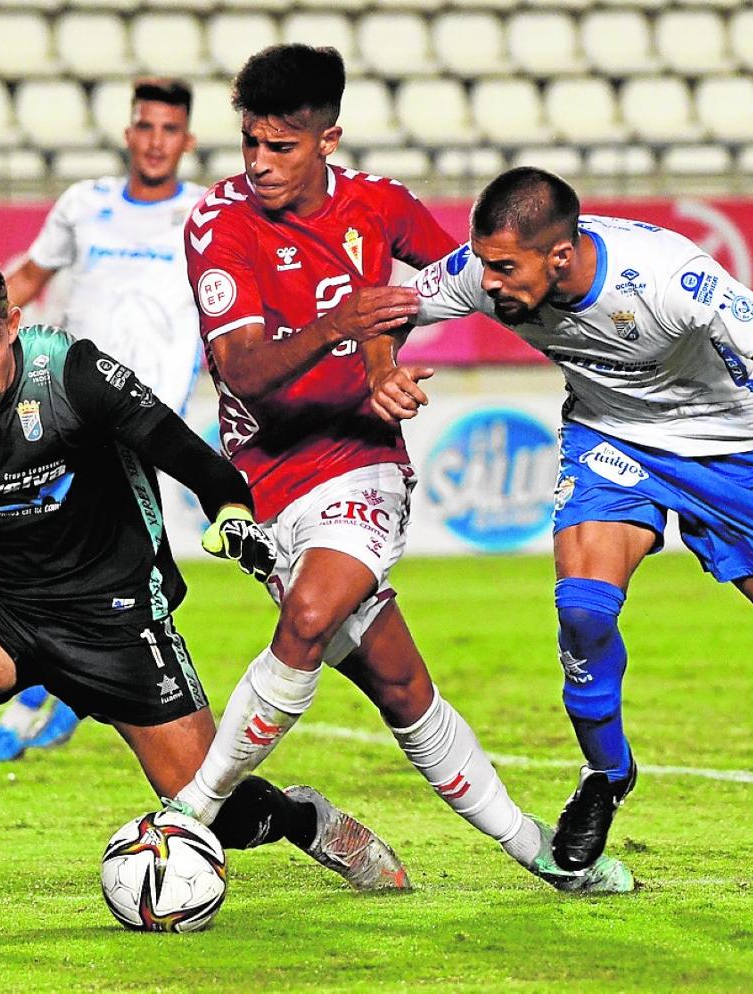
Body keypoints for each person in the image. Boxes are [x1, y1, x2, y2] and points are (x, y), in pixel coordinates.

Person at [0, 245, 410, 929]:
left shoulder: (71, 371)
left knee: (223, 811)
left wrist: (231, 516)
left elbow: (195, 459)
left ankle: (305, 818)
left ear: (11, 324)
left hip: (115, 615)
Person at [368, 167, 753, 876]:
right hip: (611, 442)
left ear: (558, 256)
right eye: (484, 264)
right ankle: (606, 775)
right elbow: (386, 307)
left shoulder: (669, 276)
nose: (486, 284)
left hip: (727, 453)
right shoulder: (480, 270)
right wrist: (378, 370)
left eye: (504, 268)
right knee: (582, 609)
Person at [171, 45, 633, 894]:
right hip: (265, 481)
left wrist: (387, 362)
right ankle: (540, 850)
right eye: (249, 144)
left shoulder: (381, 208)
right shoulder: (218, 222)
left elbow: (480, 281)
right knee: (399, 684)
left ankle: (185, 819)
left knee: (309, 614)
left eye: (281, 147)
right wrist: (341, 325)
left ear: (328, 139)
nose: (259, 165)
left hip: (360, 463)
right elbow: (241, 370)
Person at [0, 78, 205, 764]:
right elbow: (29, 277)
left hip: (144, 420)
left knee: (126, 572)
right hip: (63, 409)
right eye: (145, 127)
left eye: (169, 129)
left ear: (187, 139)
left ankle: (57, 702)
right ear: (129, 133)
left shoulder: (205, 216)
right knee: (61, 561)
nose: (155, 141)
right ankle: (53, 700)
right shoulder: (83, 205)